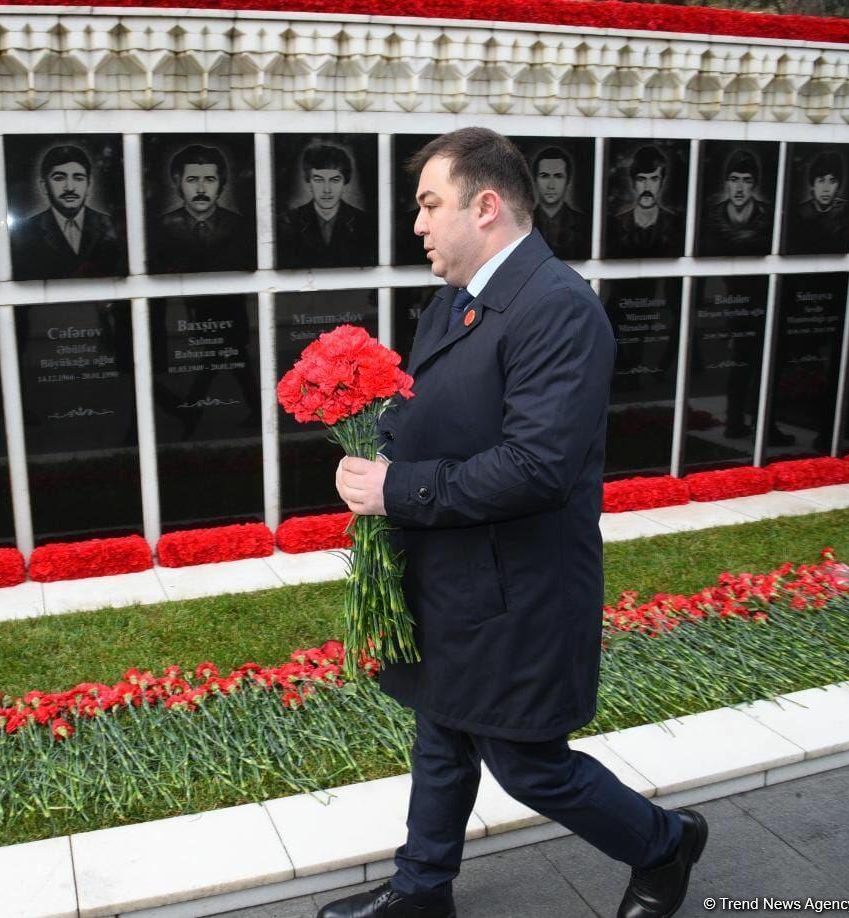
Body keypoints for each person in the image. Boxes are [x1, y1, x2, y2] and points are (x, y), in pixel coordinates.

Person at [325, 127, 707, 918]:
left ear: (486, 206)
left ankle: (664, 844)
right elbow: (422, 409)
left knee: (527, 763)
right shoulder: (455, 301)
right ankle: (422, 888)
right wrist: (372, 453)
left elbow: (537, 467)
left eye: (430, 204)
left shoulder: (557, 309)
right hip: (456, 575)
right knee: (442, 734)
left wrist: (399, 489)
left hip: (519, 589)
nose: (418, 224)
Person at [10, 144, 126, 280]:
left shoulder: (110, 225)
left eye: (78, 178)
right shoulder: (26, 231)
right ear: (44, 186)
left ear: (89, 185)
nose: (70, 187)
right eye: (59, 178)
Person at [149, 144, 255, 274]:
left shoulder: (242, 227)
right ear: (178, 183)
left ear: (221, 183)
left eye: (209, 180)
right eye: (192, 180)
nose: (201, 190)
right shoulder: (159, 228)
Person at [276, 141, 376, 269]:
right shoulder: (286, 223)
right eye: (319, 180)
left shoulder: (367, 224)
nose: (327, 190)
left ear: (345, 183)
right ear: (309, 182)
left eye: (335, 180)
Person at [606, 144, 684, 259]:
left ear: (662, 182)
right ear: (633, 183)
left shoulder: (676, 224)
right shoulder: (615, 225)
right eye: (641, 179)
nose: (647, 188)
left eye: (654, 179)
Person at [698, 148, 772, 256]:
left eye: (747, 180)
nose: (739, 189)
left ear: (755, 185)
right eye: (734, 179)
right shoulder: (711, 217)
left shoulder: (769, 216)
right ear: (726, 184)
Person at [784, 149, 849, 254]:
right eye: (821, 181)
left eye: (832, 181)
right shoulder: (800, 213)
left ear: (838, 186)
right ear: (812, 184)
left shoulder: (846, 214)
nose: (826, 189)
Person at [530, 145, 590, 260]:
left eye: (558, 176)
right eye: (544, 176)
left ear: (567, 181)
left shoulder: (585, 225)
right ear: (535, 180)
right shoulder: (521, 225)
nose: (551, 185)